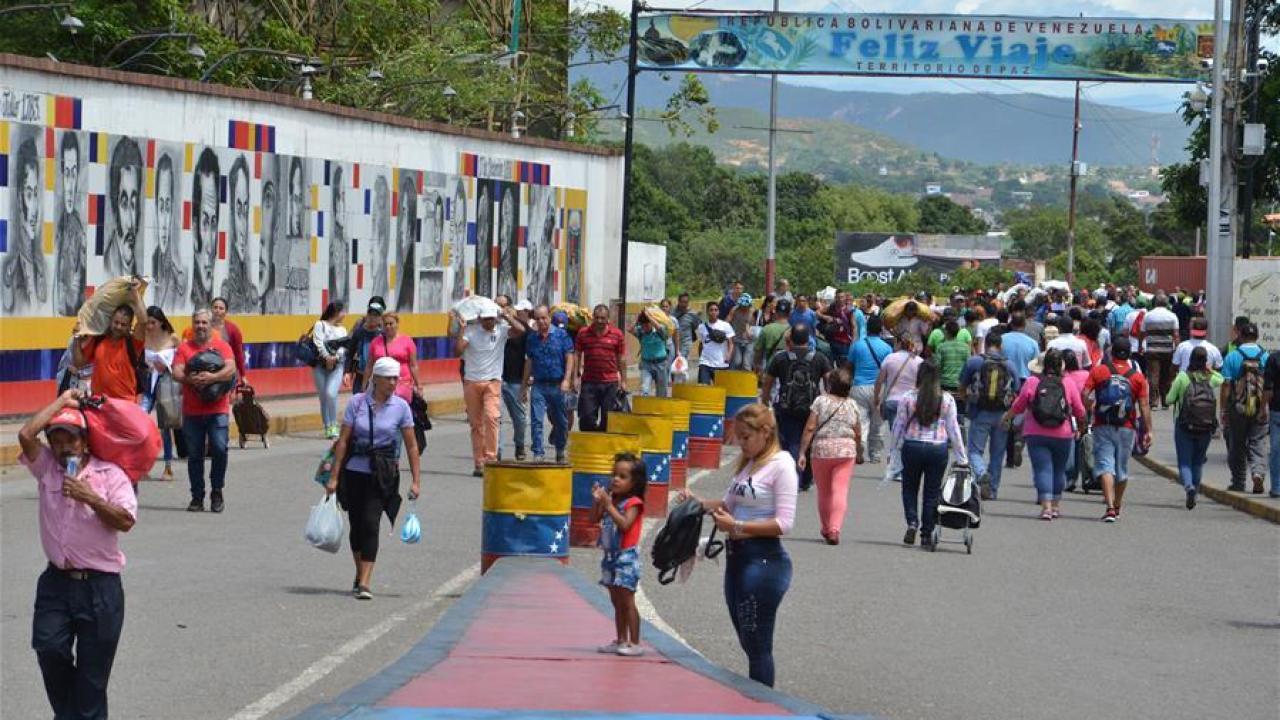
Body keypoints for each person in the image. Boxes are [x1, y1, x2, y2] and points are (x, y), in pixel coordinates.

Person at [18, 389, 137, 720]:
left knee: (91, 680)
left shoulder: (110, 475)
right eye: (56, 440)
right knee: (48, 648)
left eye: (70, 438)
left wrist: (92, 498)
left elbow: (126, 521)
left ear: (84, 441)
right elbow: (26, 434)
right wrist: (63, 401)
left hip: (101, 588)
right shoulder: (47, 470)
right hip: (56, 582)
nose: (63, 446)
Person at [677, 404, 795, 687]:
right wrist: (697, 503)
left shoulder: (782, 465)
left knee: (758, 645)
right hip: (737, 559)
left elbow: (784, 523)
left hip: (764, 562)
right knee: (746, 638)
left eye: (745, 437)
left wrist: (738, 527)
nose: (740, 443)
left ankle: (762, 706)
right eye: (738, 437)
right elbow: (728, 506)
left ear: (765, 433)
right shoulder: (749, 464)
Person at [324, 357, 421, 600]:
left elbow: (411, 446)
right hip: (354, 473)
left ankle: (366, 582)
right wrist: (334, 477)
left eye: (395, 378)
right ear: (375, 379)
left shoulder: (401, 407)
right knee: (356, 527)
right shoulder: (357, 403)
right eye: (387, 378)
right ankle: (360, 572)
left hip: (383, 475)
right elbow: (343, 442)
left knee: (371, 523)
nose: (392, 383)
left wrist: (416, 481)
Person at [890, 360, 967, 547]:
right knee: (931, 492)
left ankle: (912, 523)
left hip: (912, 446)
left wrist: (893, 451)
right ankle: (926, 533)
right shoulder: (946, 399)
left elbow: (898, 426)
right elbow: (953, 429)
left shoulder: (908, 397)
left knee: (909, 488)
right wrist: (961, 457)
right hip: (937, 448)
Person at [1004, 350, 1086, 520]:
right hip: (1063, 434)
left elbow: (1019, 406)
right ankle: (1055, 505)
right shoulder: (1068, 383)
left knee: (1042, 469)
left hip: (1036, 433)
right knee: (1059, 469)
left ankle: (1046, 507)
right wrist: (1082, 426)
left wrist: (1007, 417)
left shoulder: (1033, 382)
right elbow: (1079, 409)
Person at [173, 309, 237, 513]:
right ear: (192, 324)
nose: (200, 326)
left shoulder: (222, 346)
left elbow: (231, 368)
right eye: (197, 322)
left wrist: (212, 378)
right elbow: (176, 371)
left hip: (218, 410)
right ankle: (197, 497)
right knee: (194, 455)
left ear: (210, 324)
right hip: (192, 412)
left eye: (204, 322)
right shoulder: (184, 348)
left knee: (219, 449)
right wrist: (189, 379)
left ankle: (217, 490)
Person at [454, 303, 524, 476]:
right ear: (479, 319)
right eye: (486, 319)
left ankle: (491, 459)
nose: (489, 323)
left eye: (492, 319)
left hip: (493, 381)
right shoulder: (471, 331)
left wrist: (507, 316)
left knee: (492, 418)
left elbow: (521, 330)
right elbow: (458, 351)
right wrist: (462, 330)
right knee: (476, 424)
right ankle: (479, 462)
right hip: (472, 381)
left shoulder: (500, 330)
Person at [1085, 343, 1152, 522]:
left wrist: (1089, 410)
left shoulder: (1099, 372)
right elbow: (1144, 405)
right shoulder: (1137, 378)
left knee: (1105, 466)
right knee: (1121, 469)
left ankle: (1109, 508)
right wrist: (1148, 430)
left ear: (1111, 353)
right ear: (1129, 354)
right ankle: (1117, 504)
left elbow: (1085, 394)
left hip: (1102, 424)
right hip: (1126, 427)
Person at [761, 324, 831, 492]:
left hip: (786, 407)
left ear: (790, 339)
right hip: (812, 408)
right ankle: (806, 478)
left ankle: (793, 478)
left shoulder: (780, 358)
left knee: (790, 442)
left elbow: (768, 381)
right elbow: (830, 381)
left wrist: (765, 400)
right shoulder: (819, 358)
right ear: (808, 339)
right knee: (809, 442)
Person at [590, 453, 647, 657]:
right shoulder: (611, 499)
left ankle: (635, 642)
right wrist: (599, 502)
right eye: (614, 474)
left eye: (623, 476)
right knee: (615, 599)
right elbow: (592, 519)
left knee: (627, 599)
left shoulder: (633, 503)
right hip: (610, 556)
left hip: (626, 557)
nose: (615, 479)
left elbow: (624, 525)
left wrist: (608, 505)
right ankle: (621, 638)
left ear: (634, 482)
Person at [797, 367, 861, 544]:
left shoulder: (820, 401)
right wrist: (860, 450)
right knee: (840, 490)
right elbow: (858, 432)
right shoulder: (852, 404)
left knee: (824, 492)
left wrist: (802, 452)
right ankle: (835, 529)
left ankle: (826, 528)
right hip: (846, 450)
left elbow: (810, 427)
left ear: (830, 384)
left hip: (821, 450)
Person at [959, 330, 1018, 500]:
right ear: (1000, 346)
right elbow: (1017, 390)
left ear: (985, 344)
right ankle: (992, 490)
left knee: (975, 451)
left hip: (980, 412)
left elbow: (962, 386)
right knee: (997, 454)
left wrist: (968, 402)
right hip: (1002, 414)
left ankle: (981, 472)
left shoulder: (974, 362)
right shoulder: (1010, 365)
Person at [72, 281, 148, 401]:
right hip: (99, 402)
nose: (118, 327)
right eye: (116, 322)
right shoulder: (98, 339)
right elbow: (79, 363)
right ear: (110, 320)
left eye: (123, 325)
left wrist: (135, 293)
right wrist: (76, 338)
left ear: (129, 326)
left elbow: (143, 321)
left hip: (125, 403)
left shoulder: (133, 343)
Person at [1168, 347, 1223, 509]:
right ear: (1205, 361)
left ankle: (1189, 487)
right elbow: (1221, 379)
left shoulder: (1183, 377)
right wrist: (1210, 370)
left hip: (1184, 424)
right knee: (1197, 462)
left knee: (1184, 462)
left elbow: (1169, 399)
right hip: (1205, 425)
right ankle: (1196, 492)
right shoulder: (1209, 378)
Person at [1220, 323, 1268, 494]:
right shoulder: (1266, 356)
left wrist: (1223, 409)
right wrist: (1264, 407)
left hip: (1237, 407)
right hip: (1260, 406)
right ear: (1257, 336)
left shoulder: (1232, 357)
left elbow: (1226, 385)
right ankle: (1258, 473)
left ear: (1241, 336)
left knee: (1236, 443)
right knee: (1258, 442)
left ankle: (1238, 481)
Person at [523, 305, 575, 462]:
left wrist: (567, 380)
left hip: (557, 385)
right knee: (536, 420)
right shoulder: (532, 338)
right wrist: (524, 385)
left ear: (549, 318)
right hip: (539, 385)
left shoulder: (561, 335)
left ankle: (560, 449)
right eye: (538, 319)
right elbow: (529, 361)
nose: (541, 321)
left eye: (544, 318)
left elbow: (569, 357)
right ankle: (538, 452)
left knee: (560, 420)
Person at [140, 306, 180, 479]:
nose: (149, 326)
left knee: (165, 425)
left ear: (161, 322)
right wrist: (146, 365)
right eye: (147, 323)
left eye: (153, 323)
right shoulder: (143, 337)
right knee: (140, 421)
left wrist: (168, 366)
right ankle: (142, 465)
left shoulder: (172, 338)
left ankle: (168, 466)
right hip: (148, 383)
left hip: (165, 383)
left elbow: (182, 359)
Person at [847, 315, 892, 464]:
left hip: (858, 386)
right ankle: (875, 454)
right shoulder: (886, 348)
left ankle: (860, 445)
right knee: (878, 423)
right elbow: (888, 371)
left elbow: (849, 366)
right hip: (878, 388)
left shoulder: (857, 345)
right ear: (881, 329)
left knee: (861, 421)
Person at [575, 304, 627, 432]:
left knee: (608, 418)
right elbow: (577, 354)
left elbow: (622, 359)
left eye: (602, 318)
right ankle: (589, 445)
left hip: (610, 383)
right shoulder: (583, 333)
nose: (599, 321)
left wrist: (624, 381)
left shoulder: (617, 334)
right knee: (586, 417)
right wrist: (576, 375)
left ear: (608, 319)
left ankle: (603, 446)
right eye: (597, 318)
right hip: (589, 382)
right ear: (593, 317)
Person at [498, 297, 533, 460]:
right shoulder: (493, 327)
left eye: (504, 306)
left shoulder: (525, 331)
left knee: (519, 418)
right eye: (497, 305)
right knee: (494, 418)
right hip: (496, 379)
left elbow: (530, 358)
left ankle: (519, 445)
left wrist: (527, 381)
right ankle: (495, 450)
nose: (501, 309)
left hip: (516, 380)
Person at [312, 302, 350, 440]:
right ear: (336, 312)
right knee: (323, 397)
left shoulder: (343, 330)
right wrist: (327, 357)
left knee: (330, 393)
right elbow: (318, 342)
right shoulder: (320, 325)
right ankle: (327, 426)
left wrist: (335, 357)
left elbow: (343, 347)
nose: (345, 314)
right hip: (320, 366)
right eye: (343, 311)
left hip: (337, 366)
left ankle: (334, 424)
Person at [367, 312, 422, 405]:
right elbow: (369, 365)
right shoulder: (375, 343)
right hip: (381, 386)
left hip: (403, 384)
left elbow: (413, 365)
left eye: (391, 323)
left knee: (399, 410)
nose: (388, 326)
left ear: (397, 324)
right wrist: (365, 385)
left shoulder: (407, 341)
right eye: (385, 324)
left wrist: (418, 385)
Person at [874, 336, 922, 431]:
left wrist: (876, 398)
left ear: (899, 344)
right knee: (909, 433)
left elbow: (879, 381)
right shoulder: (919, 361)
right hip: (911, 402)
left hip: (892, 401)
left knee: (895, 434)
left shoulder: (890, 358)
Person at [1141, 294, 1180, 409]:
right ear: (1166, 303)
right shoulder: (1172, 316)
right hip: (1168, 350)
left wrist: (1140, 345)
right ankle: (1165, 401)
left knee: (1153, 375)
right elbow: (1176, 335)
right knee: (1166, 375)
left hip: (1152, 349)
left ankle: (1153, 402)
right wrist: (1177, 348)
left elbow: (1143, 333)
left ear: (1155, 303)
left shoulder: (1148, 316)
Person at [346, 297, 386, 394]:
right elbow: (350, 348)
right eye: (370, 314)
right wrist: (348, 371)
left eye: (376, 315)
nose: (372, 317)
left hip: (380, 377)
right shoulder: (359, 328)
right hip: (361, 374)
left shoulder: (385, 331)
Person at [209, 297, 248, 385]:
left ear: (226, 311)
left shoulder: (233, 329)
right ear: (211, 309)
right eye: (215, 307)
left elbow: (238, 354)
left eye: (221, 308)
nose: (217, 310)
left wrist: (243, 376)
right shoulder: (204, 326)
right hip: (208, 372)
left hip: (227, 373)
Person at [633, 308, 670, 397]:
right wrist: (637, 319)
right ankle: (644, 408)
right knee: (644, 389)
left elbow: (659, 327)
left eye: (647, 324)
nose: (645, 327)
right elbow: (630, 329)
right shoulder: (641, 332)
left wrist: (649, 317)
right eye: (643, 325)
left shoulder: (659, 332)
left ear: (651, 323)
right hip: (646, 364)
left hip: (661, 364)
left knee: (661, 391)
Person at [696, 301, 735, 384]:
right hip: (705, 362)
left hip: (721, 363)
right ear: (707, 312)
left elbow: (731, 343)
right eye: (711, 310)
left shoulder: (725, 325)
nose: (713, 312)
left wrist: (729, 355)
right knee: (703, 388)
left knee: (721, 390)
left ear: (718, 312)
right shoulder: (701, 327)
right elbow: (701, 344)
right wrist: (700, 360)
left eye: (715, 310)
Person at [934, 320, 972, 400]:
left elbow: (937, 366)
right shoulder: (965, 347)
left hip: (945, 384)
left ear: (947, 332)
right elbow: (968, 366)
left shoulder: (941, 347)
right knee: (959, 410)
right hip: (960, 384)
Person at [754, 298, 792, 371]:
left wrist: (757, 366)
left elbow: (758, 351)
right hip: (788, 370)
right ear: (790, 313)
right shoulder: (794, 330)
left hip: (770, 369)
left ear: (775, 311)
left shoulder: (767, 329)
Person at [673, 293, 700, 382]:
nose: (684, 304)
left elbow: (697, 326)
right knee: (673, 364)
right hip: (673, 343)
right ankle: (675, 382)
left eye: (686, 302)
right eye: (682, 302)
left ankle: (680, 383)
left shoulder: (692, 314)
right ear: (678, 302)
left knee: (681, 362)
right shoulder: (672, 313)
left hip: (686, 343)